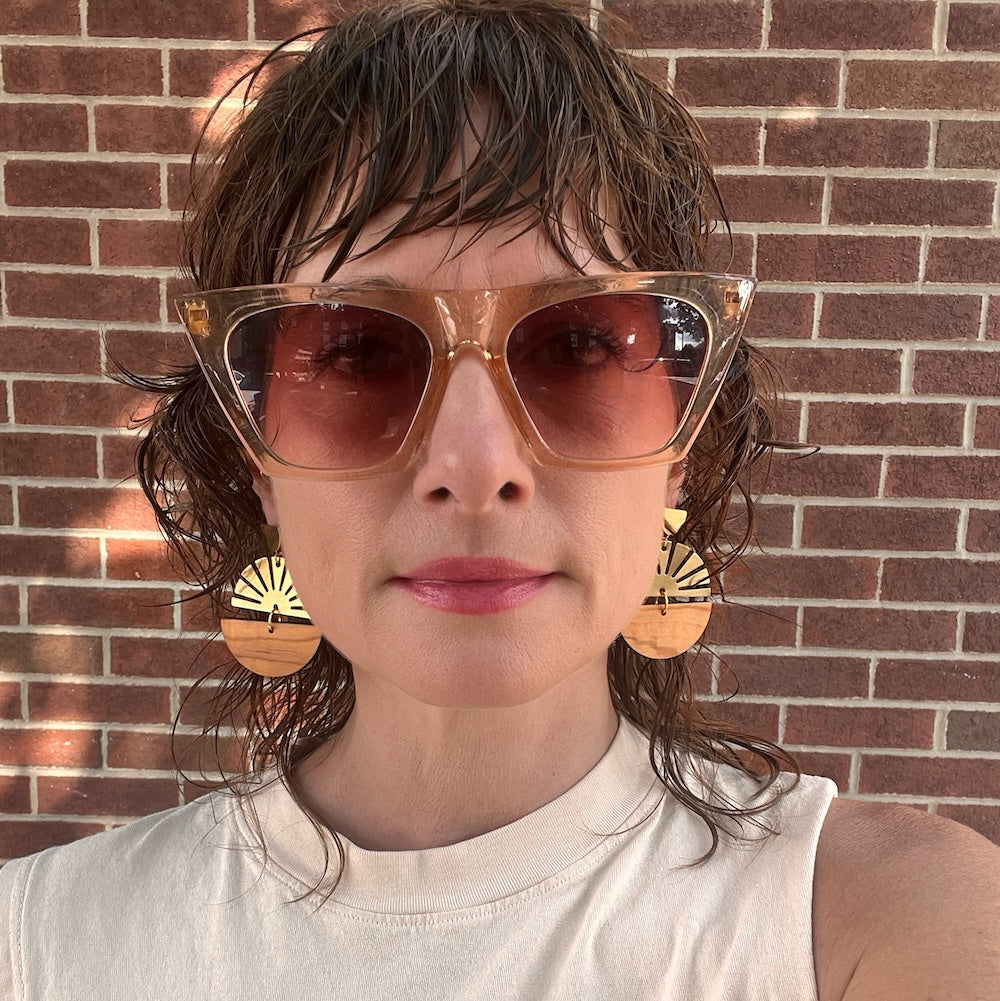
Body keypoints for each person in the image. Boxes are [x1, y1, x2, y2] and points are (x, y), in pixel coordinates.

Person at [1, 1, 997, 998]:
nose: (473, 465)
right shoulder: (40, 939)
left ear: (679, 447)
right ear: (259, 454)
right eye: (356, 351)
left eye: (577, 345)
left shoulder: (893, 925)